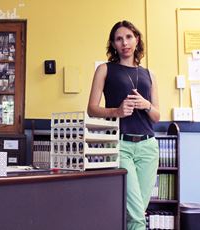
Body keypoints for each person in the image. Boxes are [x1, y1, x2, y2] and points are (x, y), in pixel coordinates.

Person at [87, 20, 160, 230]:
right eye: (119, 39)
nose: (124, 42)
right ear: (113, 44)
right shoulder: (105, 69)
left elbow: (156, 115)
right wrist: (116, 112)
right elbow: (92, 108)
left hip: (149, 148)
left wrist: (146, 105)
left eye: (128, 37)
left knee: (136, 212)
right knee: (137, 216)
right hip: (120, 146)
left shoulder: (149, 74)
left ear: (136, 40)